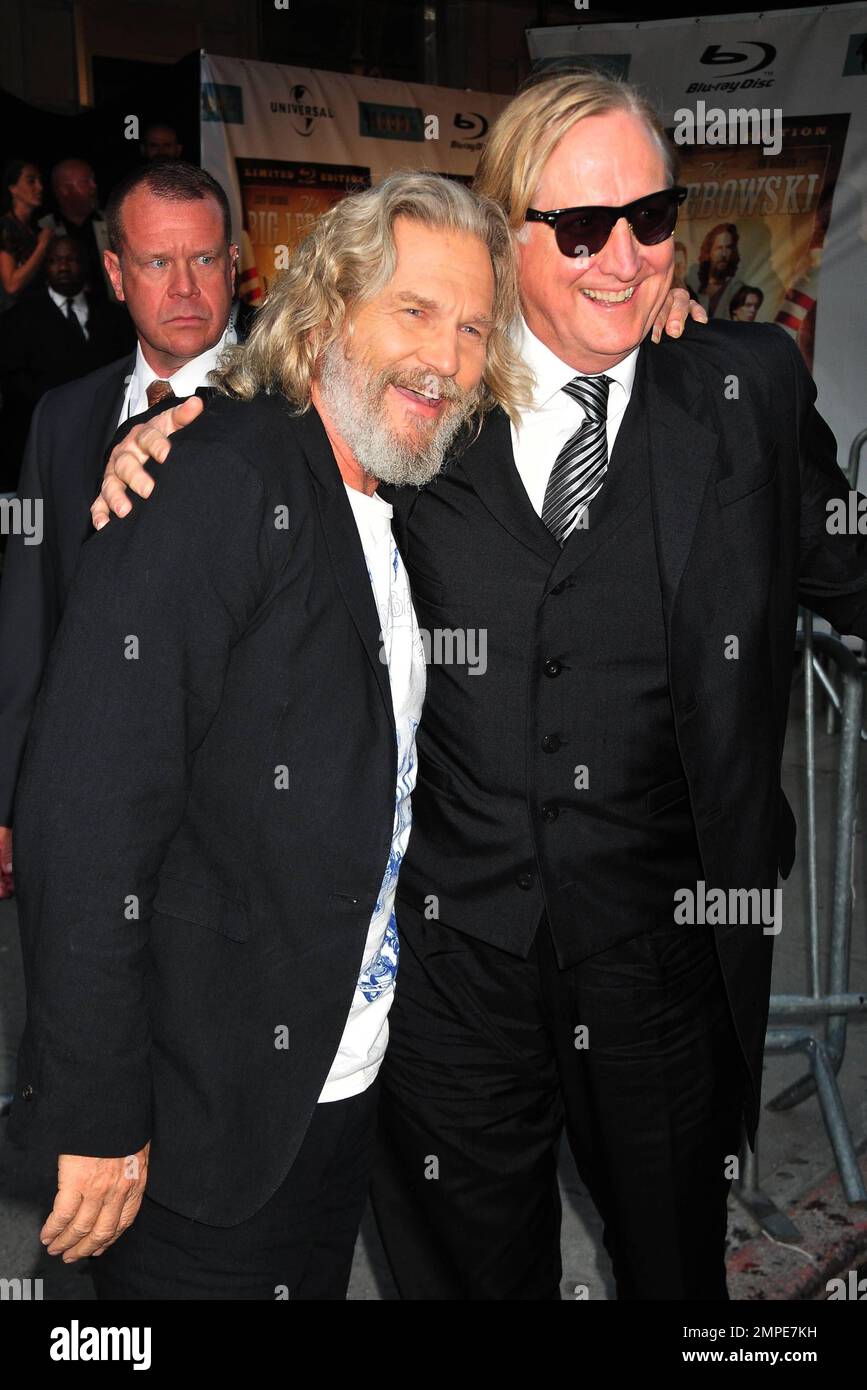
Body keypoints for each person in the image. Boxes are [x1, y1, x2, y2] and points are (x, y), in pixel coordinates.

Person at [97, 70, 867, 1302]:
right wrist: (167, 433)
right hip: (454, 982)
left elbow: (847, 561)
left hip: (665, 967)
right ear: (511, 236)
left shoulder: (745, 389)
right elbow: (280, 425)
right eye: (582, 228)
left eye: (652, 218)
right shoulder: (422, 388)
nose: (625, 259)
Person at [8, 172, 526, 1300]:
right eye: (416, 310)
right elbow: (84, 808)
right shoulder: (219, 473)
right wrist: (93, 1109)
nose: (446, 354)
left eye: (475, 325)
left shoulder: (394, 490)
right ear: (332, 309)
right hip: (200, 1127)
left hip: (335, 1096)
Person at [0, 161, 239, 902]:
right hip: (88, 803)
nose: (184, 288)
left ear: (234, 263)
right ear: (113, 271)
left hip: (241, 819)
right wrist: (8, 792)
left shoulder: (297, 410)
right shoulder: (64, 418)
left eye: (203, 259)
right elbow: (29, 614)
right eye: (156, 262)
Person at [0, 236, 135, 488]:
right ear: (45, 266)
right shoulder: (19, 319)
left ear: (85, 264)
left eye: (70, 259)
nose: (63, 267)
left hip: (102, 444)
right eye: (55, 260)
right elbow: (12, 382)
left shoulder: (114, 318)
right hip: (38, 443)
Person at [47, 158, 111, 300]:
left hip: (111, 310)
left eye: (93, 180)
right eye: (85, 182)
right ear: (64, 190)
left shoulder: (110, 222)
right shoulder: (45, 228)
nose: (94, 186)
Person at [0, 161, 53, 310]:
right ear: (13, 188)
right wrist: (42, 246)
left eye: (40, 181)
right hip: (12, 318)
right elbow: (11, 285)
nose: (40, 187)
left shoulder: (36, 229)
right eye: (31, 181)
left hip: (37, 312)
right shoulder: (5, 226)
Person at [690, 222, 744, 319]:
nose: (724, 254)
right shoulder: (693, 283)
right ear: (709, 251)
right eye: (719, 248)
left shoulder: (737, 289)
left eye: (728, 248)